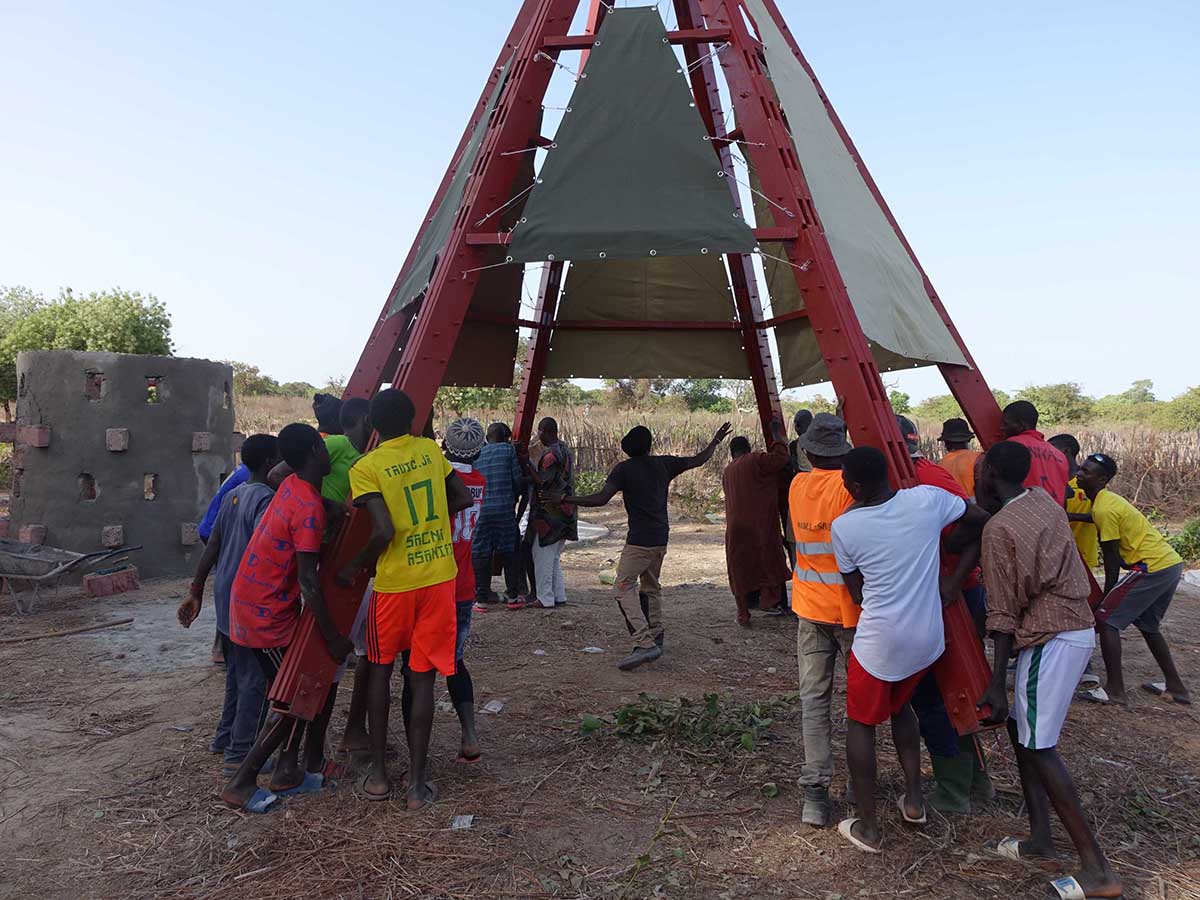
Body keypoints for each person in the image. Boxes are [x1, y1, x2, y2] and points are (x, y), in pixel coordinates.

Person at [975, 441, 1122, 900]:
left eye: (980, 469)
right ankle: (1040, 838)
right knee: (1025, 735)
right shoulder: (1044, 500)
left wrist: (996, 682)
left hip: (1050, 635)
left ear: (992, 474)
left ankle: (1098, 871)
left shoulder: (999, 530)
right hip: (1071, 628)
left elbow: (1001, 613)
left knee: (1039, 746)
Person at [831, 447, 989, 853]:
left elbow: (858, 593)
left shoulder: (846, 527)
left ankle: (867, 827)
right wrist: (953, 580)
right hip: (928, 639)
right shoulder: (927, 500)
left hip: (880, 645)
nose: (845, 486)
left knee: (860, 725)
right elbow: (982, 522)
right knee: (903, 710)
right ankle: (914, 801)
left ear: (858, 485)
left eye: (847, 480)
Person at [339, 389, 474, 808]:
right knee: (422, 677)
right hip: (438, 579)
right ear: (414, 417)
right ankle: (417, 785)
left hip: (395, 584)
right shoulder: (431, 452)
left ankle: (379, 776)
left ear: (373, 425)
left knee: (379, 671)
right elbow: (463, 498)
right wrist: (431, 526)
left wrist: (354, 565)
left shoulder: (367, 466)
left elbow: (381, 531)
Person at [220, 423, 353, 811]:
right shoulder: (307, 505)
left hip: (249, 601)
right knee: (292, 697)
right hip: (265, 612)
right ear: (315, 452)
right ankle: (241, 782)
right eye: (325, 448)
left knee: (288, 692)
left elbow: (282, 474)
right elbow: (309, 582)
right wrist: (332, 637)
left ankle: (287, 771)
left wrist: (328, 505)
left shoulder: (293, 485)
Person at [567, 423, 731, 671]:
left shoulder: (623, 469)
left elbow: (600, 499)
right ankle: (656, 633)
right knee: (651, 586)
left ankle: (644, 642)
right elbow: (699, 459)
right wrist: (716, 441)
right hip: (660, 537)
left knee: (622, 587)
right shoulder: (663, 464)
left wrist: (568, 498)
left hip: (639, 540)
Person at [896, 416, 993, 815]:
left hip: (951, 597)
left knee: (937, 697)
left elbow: (976, 526)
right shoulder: (913, 478)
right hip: (941, 595)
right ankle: (973, 782)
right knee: (953, 692)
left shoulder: (928, 479)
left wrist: (952, 579)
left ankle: (954, 791)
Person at [177, 434, 279, 775]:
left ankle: (224, 738)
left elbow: (212, 545)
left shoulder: (233, 495)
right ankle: (240, 754)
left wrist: (196, 588)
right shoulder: (266, 500)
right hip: (249, 599)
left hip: (225, 594)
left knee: (236, 672)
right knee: (255, 678)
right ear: (270, 464)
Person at [1075, 453, 1190, 706]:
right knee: (1148, 626)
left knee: (1106, 621)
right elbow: (1096, 517)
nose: (1079, 474)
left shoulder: (1104, 507)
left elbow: (1112, 558)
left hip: (1151, 567)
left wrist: (1106, 597)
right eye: (1080, 469)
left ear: (1102, 479)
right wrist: (1072, 516)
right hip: (1169, 563)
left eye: (1086, 472)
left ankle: (1115, 690)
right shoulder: (1105, 501)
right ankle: (1176, 687)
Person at [787, 412, 855, 827]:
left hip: (810, 608)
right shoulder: (852, 489)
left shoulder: (798, 486)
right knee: (861, 703)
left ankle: (815, 795)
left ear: (808, 451)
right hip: (850, 611)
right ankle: (863, 784)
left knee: (814, 699)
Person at [413, 417, 487, 763]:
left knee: (419, 668)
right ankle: (469, 734)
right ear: (480, 450)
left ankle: (419, 755)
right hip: (464, 584)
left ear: (444, 446)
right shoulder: (479, 482)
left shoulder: (438, 480)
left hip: (432, 581)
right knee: (456, 661)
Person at [722, 421, 790, 626]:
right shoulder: (755, 459)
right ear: (747, 448)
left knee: (739, 568)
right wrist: (777, 435)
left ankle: (743, 613)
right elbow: (781, 459)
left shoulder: (728, 470)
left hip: (735, 527)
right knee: (769, 561)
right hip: (760, 524)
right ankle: (771, 602)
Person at [526, 417, 577, 610]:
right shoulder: (565, 449)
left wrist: (527, 464)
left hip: (550, 513)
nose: (538, 437)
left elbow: (542, 481)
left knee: (542, 554)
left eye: (539, 432)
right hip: (566, 511)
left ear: (545, 431)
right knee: (554, 556)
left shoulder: (550, 455)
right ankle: (558, 595)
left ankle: (545, 598)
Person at [473, 422, 525, 608]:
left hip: (482, 512)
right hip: (504, 510)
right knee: (509, 552)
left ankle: (481, 600)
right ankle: (512, 597)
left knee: (481, 554)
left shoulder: (478, 453)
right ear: (505, 437)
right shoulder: (508, 450)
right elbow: (517, 480)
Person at [1001, 401, 1069, 506]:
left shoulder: (1011, 446)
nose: (1002, 428)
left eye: (1006, 423)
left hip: (1024, 514)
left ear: (1021, 425)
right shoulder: (1060, 456)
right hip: (1055, 517)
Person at [937, 417, 982, 496]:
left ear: (946, 442)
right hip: (978, 506)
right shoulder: (979, 458)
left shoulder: (940, 464)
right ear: (968, 439)